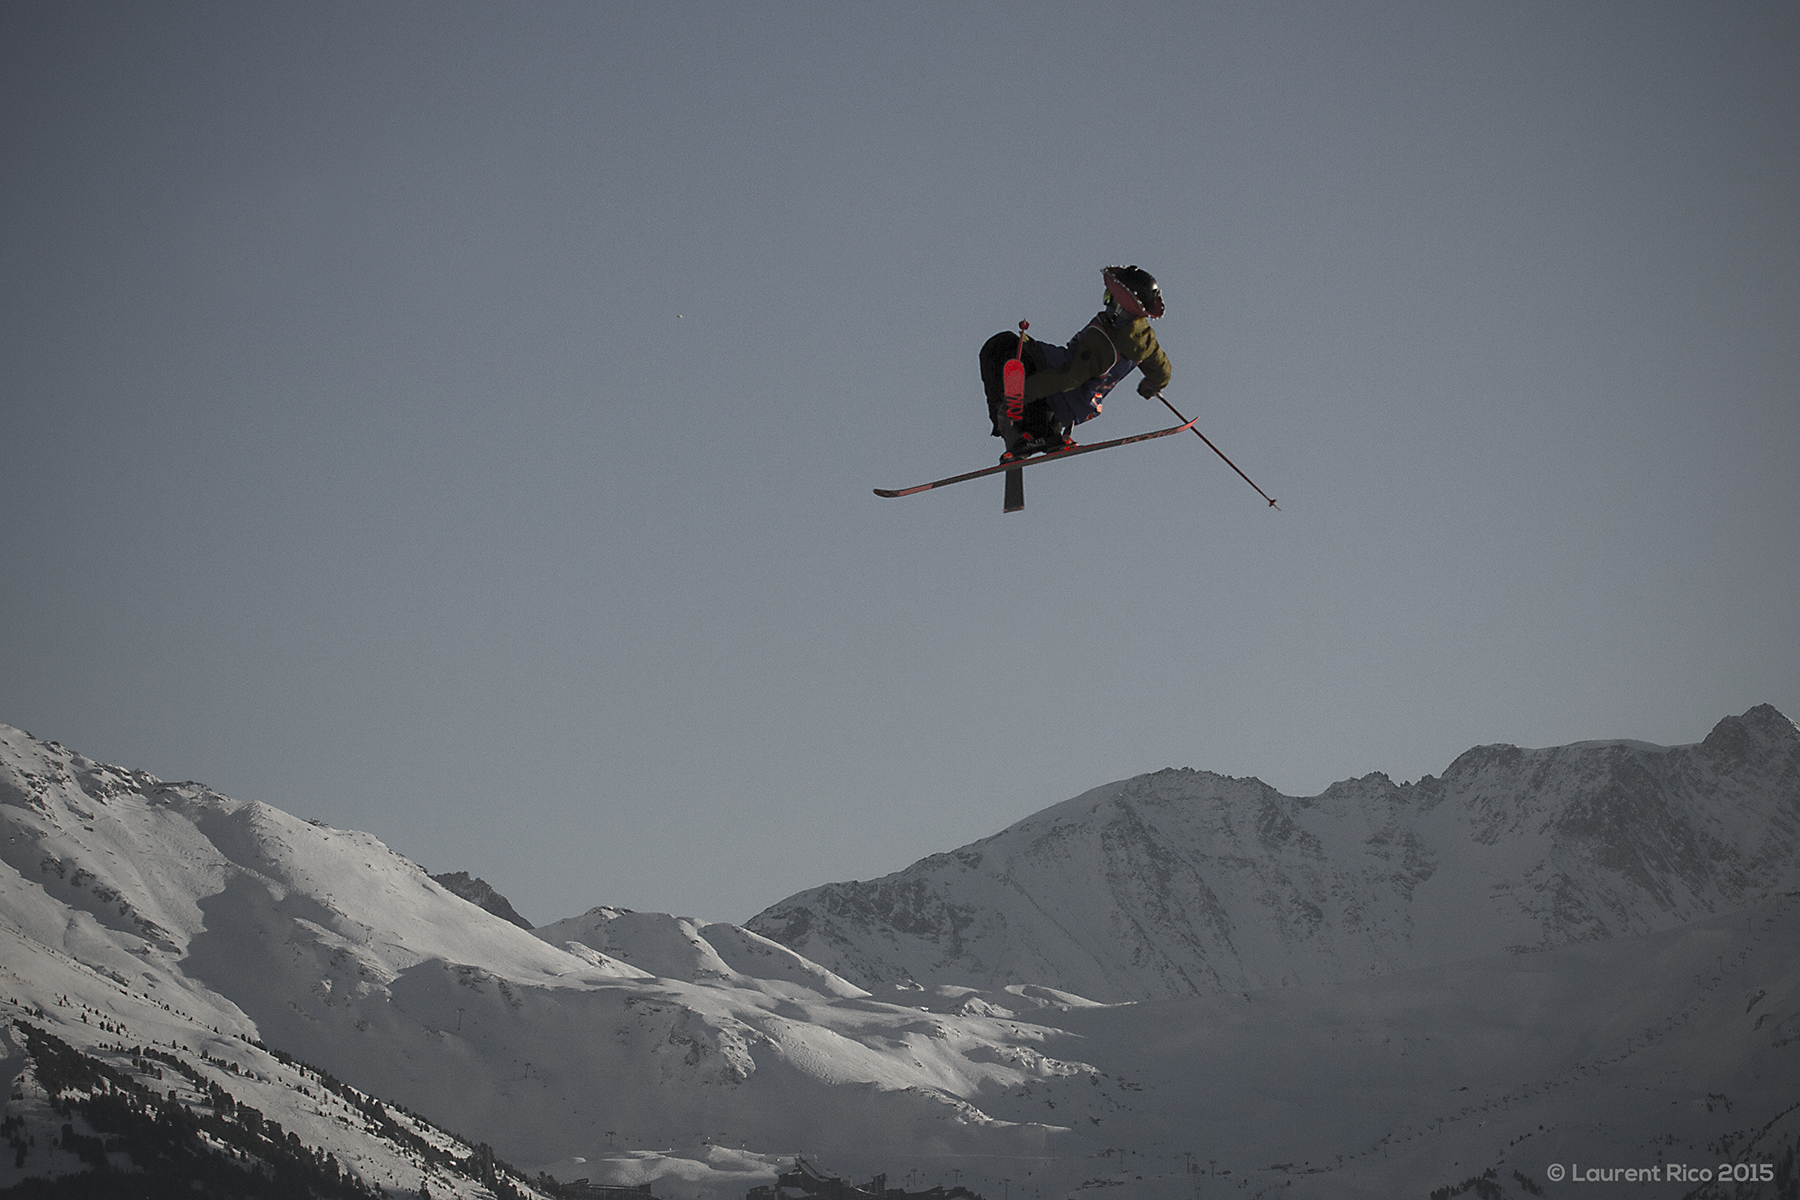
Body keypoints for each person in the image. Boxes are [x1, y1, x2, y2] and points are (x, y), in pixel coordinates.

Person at [978, 265, 1173, 464]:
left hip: (1065, 394)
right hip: (1080, 403)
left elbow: (1070, 377)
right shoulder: (1145, 341)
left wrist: (1019, 396)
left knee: (1000, 347)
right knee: (1022, 351)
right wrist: (1152, 385)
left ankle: (1028, 433)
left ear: (1120, 307)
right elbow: (1162, 370)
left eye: (1109, 298)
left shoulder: (1104, 342)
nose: (1105, 303)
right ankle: (1047, 432)